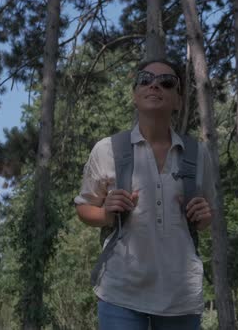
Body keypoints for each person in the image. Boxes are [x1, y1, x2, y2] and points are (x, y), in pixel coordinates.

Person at [74, 59, 215, 330]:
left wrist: (204, 216)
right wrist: (104, 214)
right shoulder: (107, 150)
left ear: (178, 100)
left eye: (166, 82)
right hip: (121, 292)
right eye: (145, 79)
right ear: (134, 95)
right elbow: (84, 208)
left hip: (181, 295)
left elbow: (207, 214)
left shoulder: (198, 154)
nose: (154, 85)